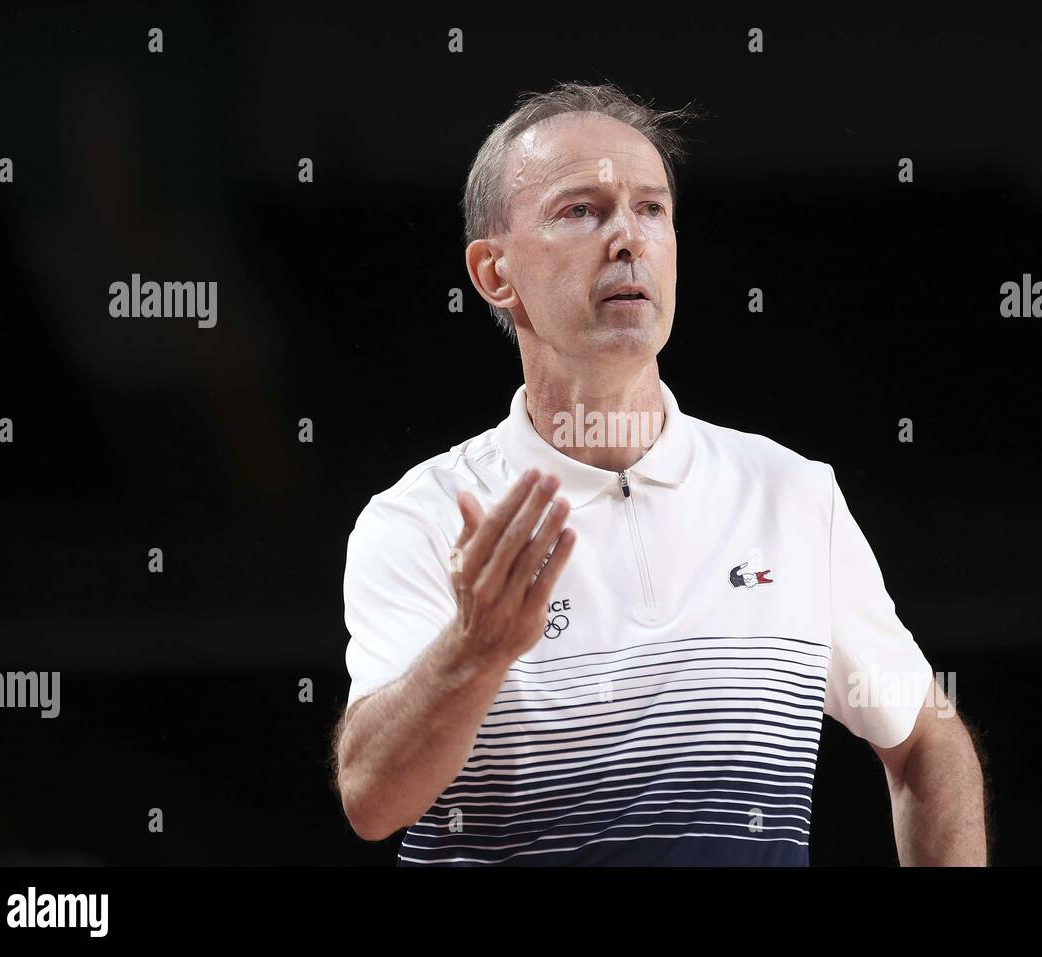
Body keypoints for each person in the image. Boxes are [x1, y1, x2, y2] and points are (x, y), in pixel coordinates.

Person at [334, 81, 987, 865]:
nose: (628, 239)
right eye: (581, 210)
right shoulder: (422, 517)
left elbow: (927, 739)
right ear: (494, 272)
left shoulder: (790, 494)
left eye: (651, 210)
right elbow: (372, 800)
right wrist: (477, 649)